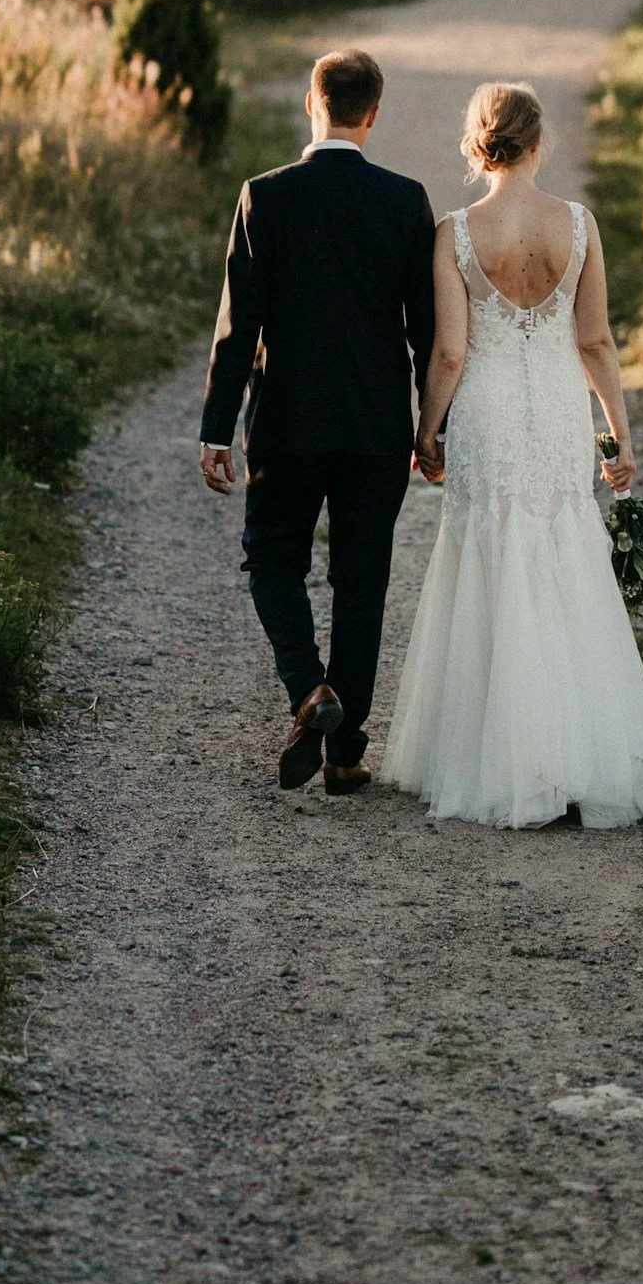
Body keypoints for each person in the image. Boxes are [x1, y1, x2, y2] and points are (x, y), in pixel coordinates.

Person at [381, 81, 643, 829]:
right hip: (553, 411)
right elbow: (596, 342)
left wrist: (426, 430)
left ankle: (498, 758)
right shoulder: (577, 225)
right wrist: (619, 435)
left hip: (487, 413)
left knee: (488, 559)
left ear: (478, 143)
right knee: (562, 556)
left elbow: (449, 351)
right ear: (539, 141)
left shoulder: (455, 231)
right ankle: (582, 754)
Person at [200, 49, 435, 792]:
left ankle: (309, 690)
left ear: (313, 103)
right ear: (373, 114)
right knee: (361, 584)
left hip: (286, 422)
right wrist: (433, 426)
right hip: (376, 425)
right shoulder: (404, 200)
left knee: (273, 559)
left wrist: (215, 427)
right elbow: (427, 330)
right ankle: (345, 753)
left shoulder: (264, 197)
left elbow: (240, 326)